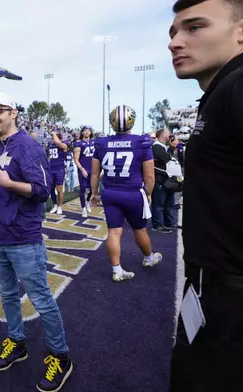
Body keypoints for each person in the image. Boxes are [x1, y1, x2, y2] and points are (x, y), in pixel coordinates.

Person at [168, 0, 243, 390]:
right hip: (211, 289)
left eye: (194, 27)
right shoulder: (220, 93)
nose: (175, 42)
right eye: (173, 32)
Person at [0, 93, 74, 392]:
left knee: (42, 301)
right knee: (7, 296)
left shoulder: (28, 146)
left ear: (14, 113)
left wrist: (9, 183)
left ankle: (61, 355)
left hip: (22, 238)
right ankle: (17, 342)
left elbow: (42, 190)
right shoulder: (0, 145)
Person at [90, 105, 163, 282]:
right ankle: (148, 258)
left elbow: (94, 173)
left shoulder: (102, 143)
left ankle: (117, 270)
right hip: (132, 193)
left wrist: (94, 193)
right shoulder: (141, 142)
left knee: (114, 232)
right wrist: (148, 194)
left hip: (110, 193)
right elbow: (149, 177)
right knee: (140, 229)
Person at [73, 126, 95, 218]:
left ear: (90, 132)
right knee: (82, 189)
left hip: (93, 169)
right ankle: (83, 208)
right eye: (85, 131)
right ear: (82, 133)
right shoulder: (79, 143)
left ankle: (87, 202)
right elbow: (76, 159)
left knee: (92, 189)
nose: (86, 132)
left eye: (88, 130)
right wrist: (82, 169)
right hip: (83, 169)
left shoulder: (94, 142)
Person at [47, 132, 68, 214]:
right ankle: (55, 205)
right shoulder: (51, 145)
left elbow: (59, 143)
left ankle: (60, 206)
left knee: (59, 189)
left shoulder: (64, 145)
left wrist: (54, 134)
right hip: (51, 169)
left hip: (59, 169)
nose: (52, 139)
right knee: (51, 189)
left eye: (54, 138)